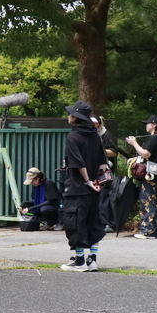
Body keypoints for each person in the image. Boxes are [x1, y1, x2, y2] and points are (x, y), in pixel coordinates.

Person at [59, 100, 105, 272]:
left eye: (70, 113)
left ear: (75, 117)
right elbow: (102, 162)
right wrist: (98, 182)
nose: (68, 116)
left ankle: (79, 261)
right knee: (93, 223)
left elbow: (78, 163)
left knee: (75, 223)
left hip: (78, 187)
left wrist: (87, 181)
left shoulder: (72, 136)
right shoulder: (95, 135)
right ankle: (92, 260)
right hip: (95, 189)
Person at [127, 115, 157, 239]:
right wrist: (135, 158)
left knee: (147, 202)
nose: (146, 125)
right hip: (154, 174)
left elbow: (146, 154)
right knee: (153, 202)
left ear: (154, 125)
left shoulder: (154, 138)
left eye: (148, 123)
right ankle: (156, 230)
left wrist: (134, 143)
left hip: (149, 176)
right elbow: (149, 155)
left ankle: (148, 231)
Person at [94, 116, 119, 233]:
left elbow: (114, 152)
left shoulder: (107, 135)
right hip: (93, 170)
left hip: (105, 171)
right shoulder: (91, 135)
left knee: (104, 197)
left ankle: (108, 222)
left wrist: (100, 150)